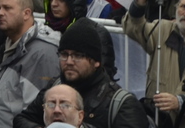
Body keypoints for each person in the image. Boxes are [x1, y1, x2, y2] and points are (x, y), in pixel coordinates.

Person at [14, 18, 148, 128]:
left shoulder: (121, 103)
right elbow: (22, 120)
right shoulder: (55, 87)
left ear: (96, 62)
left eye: (78, 56)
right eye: (64, 54)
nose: (69, 62)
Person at [0, 0, 60, 128]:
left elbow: (38, 114)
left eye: (7, 8)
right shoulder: (8, 45)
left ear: (26, 13)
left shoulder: (42, 54)